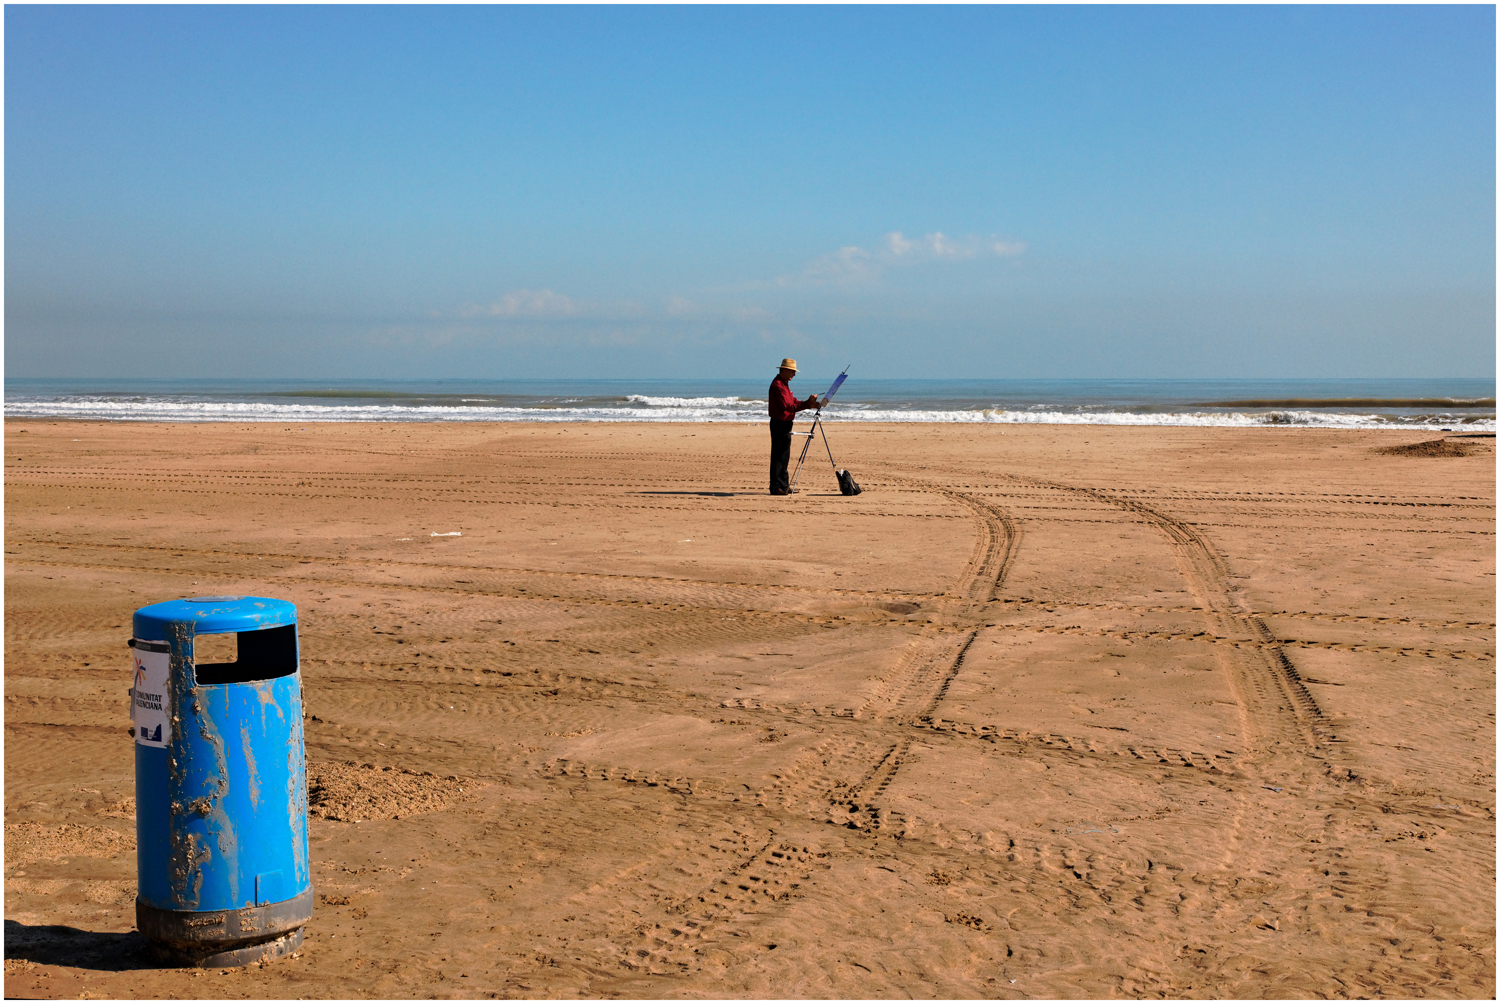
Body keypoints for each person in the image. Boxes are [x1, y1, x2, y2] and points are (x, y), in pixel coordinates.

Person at [768, 358, 820, 495]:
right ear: (784, 370)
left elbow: (792, 401)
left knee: (784, 455)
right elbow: (789, 406)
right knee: (779, 455)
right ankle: (776, 487)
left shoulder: (784, 384)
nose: (794, 374)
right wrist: (807, 404)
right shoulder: (778, 385)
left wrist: (808, 404)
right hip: (779, 423)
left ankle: (783, 486)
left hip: (785, 422)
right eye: (792, 371)